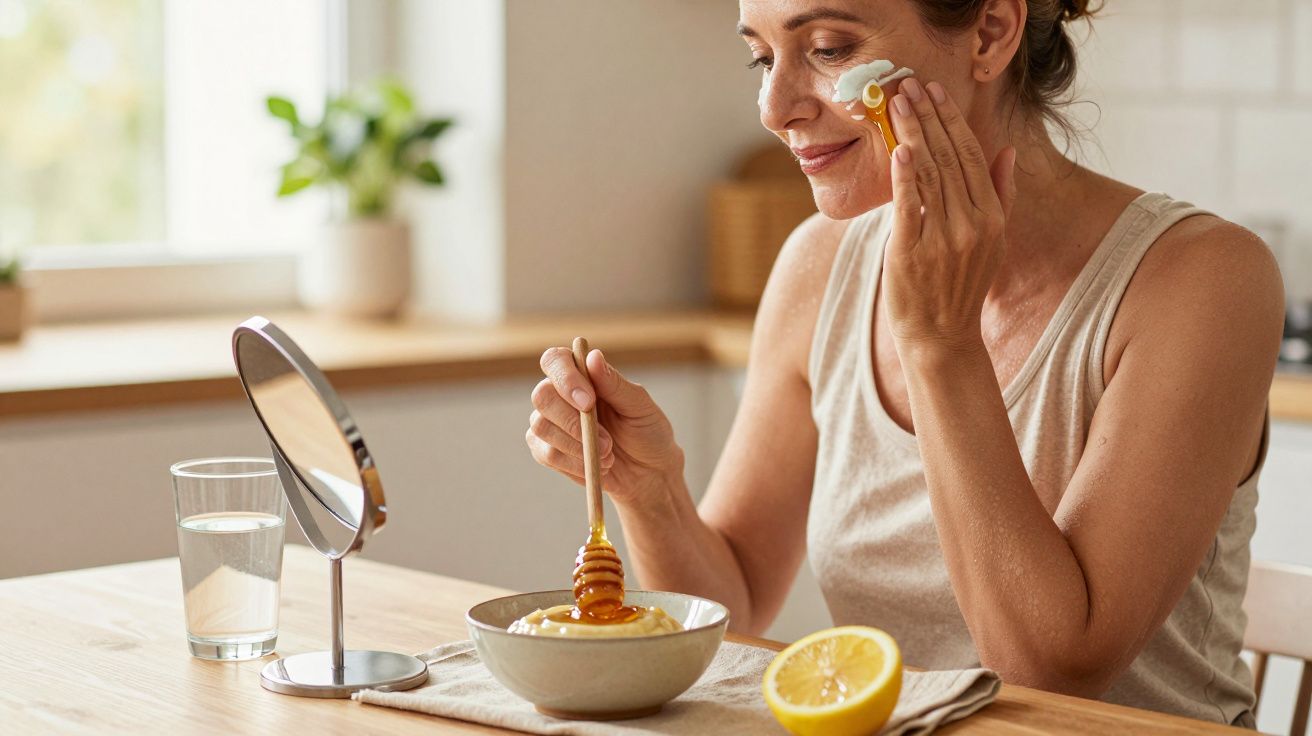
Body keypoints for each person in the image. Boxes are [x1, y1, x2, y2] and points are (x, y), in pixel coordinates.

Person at [525, 0, 1282, 726]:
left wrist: (940, 345)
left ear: (989, 31)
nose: (774, 106)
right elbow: (735, 600)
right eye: (760, 57)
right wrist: (651, 492)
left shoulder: (1203, 280)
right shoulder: (818, 267)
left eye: (829, 50)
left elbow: (1054, 672)